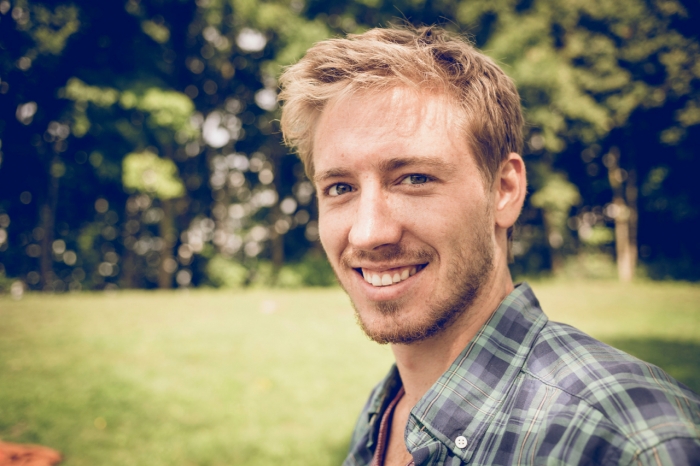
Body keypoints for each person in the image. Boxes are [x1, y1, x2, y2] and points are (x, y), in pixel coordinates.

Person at [278, 25, 700, 466]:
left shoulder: (630, 444)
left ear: (504, 190)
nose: (368, 232)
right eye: (340, 187)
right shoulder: (385, 412)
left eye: (414, 178)